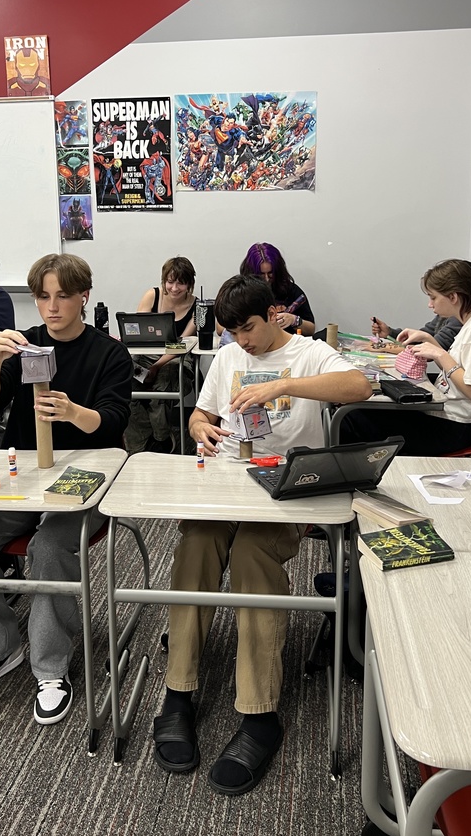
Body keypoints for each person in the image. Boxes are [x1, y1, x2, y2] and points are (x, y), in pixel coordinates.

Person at [152, 274, 371, 795]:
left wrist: (282, 383)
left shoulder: (311, 353)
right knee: (196, 545)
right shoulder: (228, 356)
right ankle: (178, 692)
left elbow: (359, 387)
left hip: (286, 490)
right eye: (231, 332)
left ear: (272, 315)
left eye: (247, 329)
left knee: (252, 553)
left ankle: (259, 713)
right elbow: (203, 415)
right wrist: (200, 428)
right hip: (229, 481)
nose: (241, 341)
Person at [0, 254, 132, 726]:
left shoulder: (109, 353)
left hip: (90, 478)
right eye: (43, 296)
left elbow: (113, 420)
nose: (51, 307)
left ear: (83, 295)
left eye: (63, 296)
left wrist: (72, 413)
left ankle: (50, 666)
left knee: (48, 547)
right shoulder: (26, 346)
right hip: (25, 475)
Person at [342, 259, 471, 454]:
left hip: (458, 427)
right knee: (361, 408)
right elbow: (459, 365)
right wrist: (429, 340)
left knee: (351, 418)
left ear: (453, 296)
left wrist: (438, 353)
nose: (430, 304)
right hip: (449, 415)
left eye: (433, 297)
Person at [124, 256, 197, 455]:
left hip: (177, 359)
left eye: (181, 283)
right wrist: (147, 366)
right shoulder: (152, 295)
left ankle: (161, 439)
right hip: (145, 356)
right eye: (170, 281)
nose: (174, 288)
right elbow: (138, 333)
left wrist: (155, 367)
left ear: (189, 284)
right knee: (124, 380)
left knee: (163, 383)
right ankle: (140, 440)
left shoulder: (197, 308)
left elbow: (180, 344)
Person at [239, 242, 315, 335]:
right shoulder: (240, 291)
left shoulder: (290, 290)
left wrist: (294, 320)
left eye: (270, 273)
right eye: (261, 274)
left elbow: (311, 329)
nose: (266, 279)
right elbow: (220, 328)